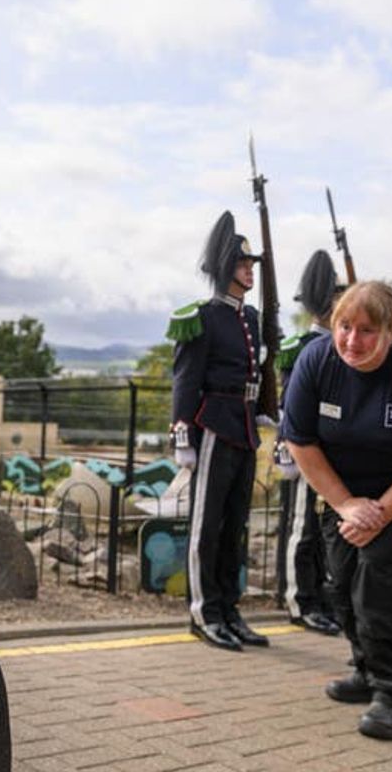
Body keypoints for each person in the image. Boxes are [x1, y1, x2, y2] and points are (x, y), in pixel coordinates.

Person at [281, 282, 392, 740]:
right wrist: (345, 504)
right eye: (344, 326)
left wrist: (378, 512)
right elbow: (301, 440)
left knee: (379, 583)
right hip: (344, 488)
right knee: (340, 581)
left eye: (366, 331)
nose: (351, 341)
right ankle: (366, 670)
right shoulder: (316, 360)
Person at [168, 210, 269, 652]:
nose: (251, 270)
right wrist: (182, 435)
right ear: (226, 267)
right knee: (206, 525)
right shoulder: (202, 317)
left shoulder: (251, 319)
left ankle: (230, 608)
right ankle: (204, 612)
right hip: (213, 426)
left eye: (252, 265)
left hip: (244, 426)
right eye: (245, 263)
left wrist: (268, 410)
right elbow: (186, 379)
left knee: (234, 526)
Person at [273, 250, 342, 635]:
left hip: (331, 451)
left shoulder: (341, 346)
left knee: (321, 530)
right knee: (302, 528)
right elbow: (288, 406)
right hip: (305, 447)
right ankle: (300, 600)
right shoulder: (300, 347)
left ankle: (321, 596)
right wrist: (286, 447)